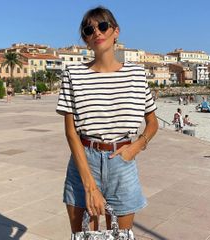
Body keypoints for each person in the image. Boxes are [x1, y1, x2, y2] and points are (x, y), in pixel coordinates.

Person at [56, 6, 158, 233]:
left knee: (120, 236)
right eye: (89, 30)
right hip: (84, 160)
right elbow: (71, 132)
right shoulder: (73, 75)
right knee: (84, 235)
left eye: (102, 26)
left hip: (122, 161)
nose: (97, 33)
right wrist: (89, 184)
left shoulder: (137, 74)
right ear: (85, 39)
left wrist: (135, 148)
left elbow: (152, 122)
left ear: (116, 31)